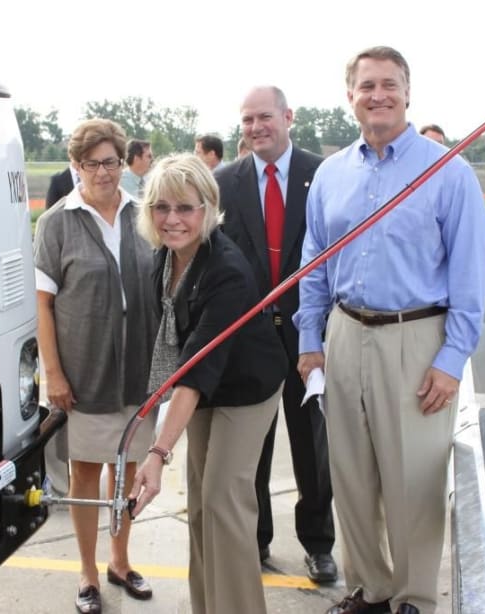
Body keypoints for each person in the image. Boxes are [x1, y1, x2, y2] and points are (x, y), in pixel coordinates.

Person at [295, 46, 485, 614]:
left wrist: (452, 359)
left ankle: (413, 597)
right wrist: (311, 341)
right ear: (350, 96)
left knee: (413, 480)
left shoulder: (447, 172)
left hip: (416, 338)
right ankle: (370, 589)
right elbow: (313, 263)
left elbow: (471, 277)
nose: (377, 95)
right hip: (344, 333)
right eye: (366, 85)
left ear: (408, 93)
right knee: (350, 473)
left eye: (389, 84)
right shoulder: (331, 175)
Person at [130, 154, 288, 614]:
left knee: (224, 501)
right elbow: (178, 356)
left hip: (247, 387)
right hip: (205, 388)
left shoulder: (227, 271)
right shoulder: (164, 258)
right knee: (199, 506)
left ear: (208, 208)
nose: (172, 219)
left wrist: (158, 453)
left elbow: (195, 372)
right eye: (162, 207)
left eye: (186, 208)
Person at [33, 119, 159, 614]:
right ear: (76, 166)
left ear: (123, 162)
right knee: (86, 473)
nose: (103, 172)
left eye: (111, 162)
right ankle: (87, 572)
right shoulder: (57, 222)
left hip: (137, 371)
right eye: (92, 164)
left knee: (126, 472)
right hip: (82, 372)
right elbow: (43, 306)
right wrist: (54, 374)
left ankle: (120, 561)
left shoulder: (143, 214)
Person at [216, 85, 338, 584]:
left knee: (313, 453)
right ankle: (257, 539)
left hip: (310, 339)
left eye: (264, 117)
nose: (255, 128)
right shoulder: (225, 181)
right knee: (254, 452)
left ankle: (318, 544)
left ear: (289, 117)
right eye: (246, 120)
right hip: (251, 346)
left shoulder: (324, 175)